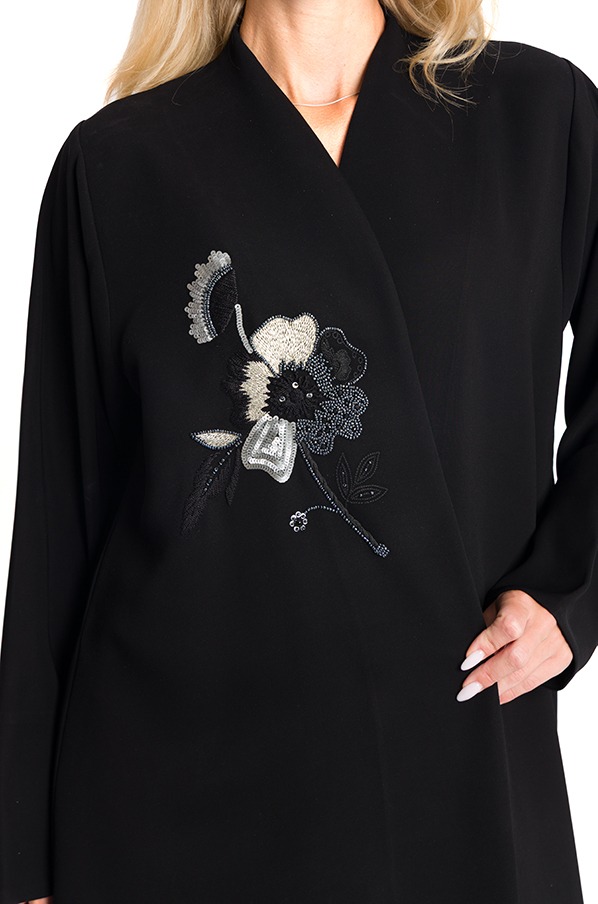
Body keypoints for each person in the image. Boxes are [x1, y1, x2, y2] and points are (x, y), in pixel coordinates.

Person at [1, 0, 597, 901]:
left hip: (452, 770)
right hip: (168, 799)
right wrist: (27, 865)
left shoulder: (536, 114)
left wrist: (570, 596)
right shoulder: (118, 163)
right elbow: (58, 522)